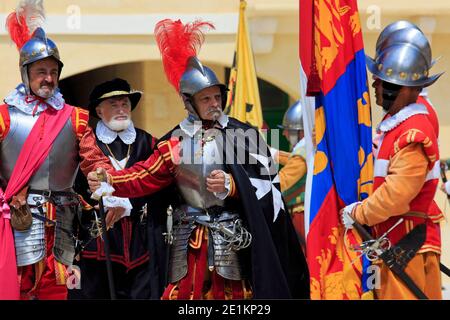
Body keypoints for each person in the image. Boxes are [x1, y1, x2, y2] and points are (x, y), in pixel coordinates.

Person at [88, 19, 310, 300]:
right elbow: (144, 176)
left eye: (217, 97)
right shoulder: (175, 142)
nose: (214, 103)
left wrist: (233, 185)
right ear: (188, 101)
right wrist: (110, 179)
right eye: (206, 99)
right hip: (190, 243)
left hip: (236, 241)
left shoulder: (245, 134)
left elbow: (269, 180)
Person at [0, 1, 110, 300]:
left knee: (57, 290)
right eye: (41, 71)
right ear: (26, 72)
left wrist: (102, 175)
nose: (48, 78)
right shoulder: (4, 116)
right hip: (17, 218)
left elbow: (92, 157)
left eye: (53, 71)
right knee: (19, 289)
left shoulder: (75, 117)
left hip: (62, 220)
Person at [341, 25, 444, 299]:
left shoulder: (413, 133)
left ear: (399, 88)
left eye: (381, 80)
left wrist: (358, 213)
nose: (374, 85)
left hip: (405, 244)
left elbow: (396, 197)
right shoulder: (397, 126)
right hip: (394, 240)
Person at [69, 78, 168, 299]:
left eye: (124, 104)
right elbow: (75, 187)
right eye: (114, 105)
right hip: (96, 243)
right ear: (98, 110)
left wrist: (128, 204)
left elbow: (159, 184)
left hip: (140, 243)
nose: (121, 109)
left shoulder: (148, 142)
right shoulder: (87, 143)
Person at [270, 101, 307, 251]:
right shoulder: (306, 150)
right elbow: (294, 158)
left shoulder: (303, 154)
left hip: (299, 215)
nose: (284, 134)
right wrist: (272, 153)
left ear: (301, 132)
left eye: (289, 131)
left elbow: (281, 182)